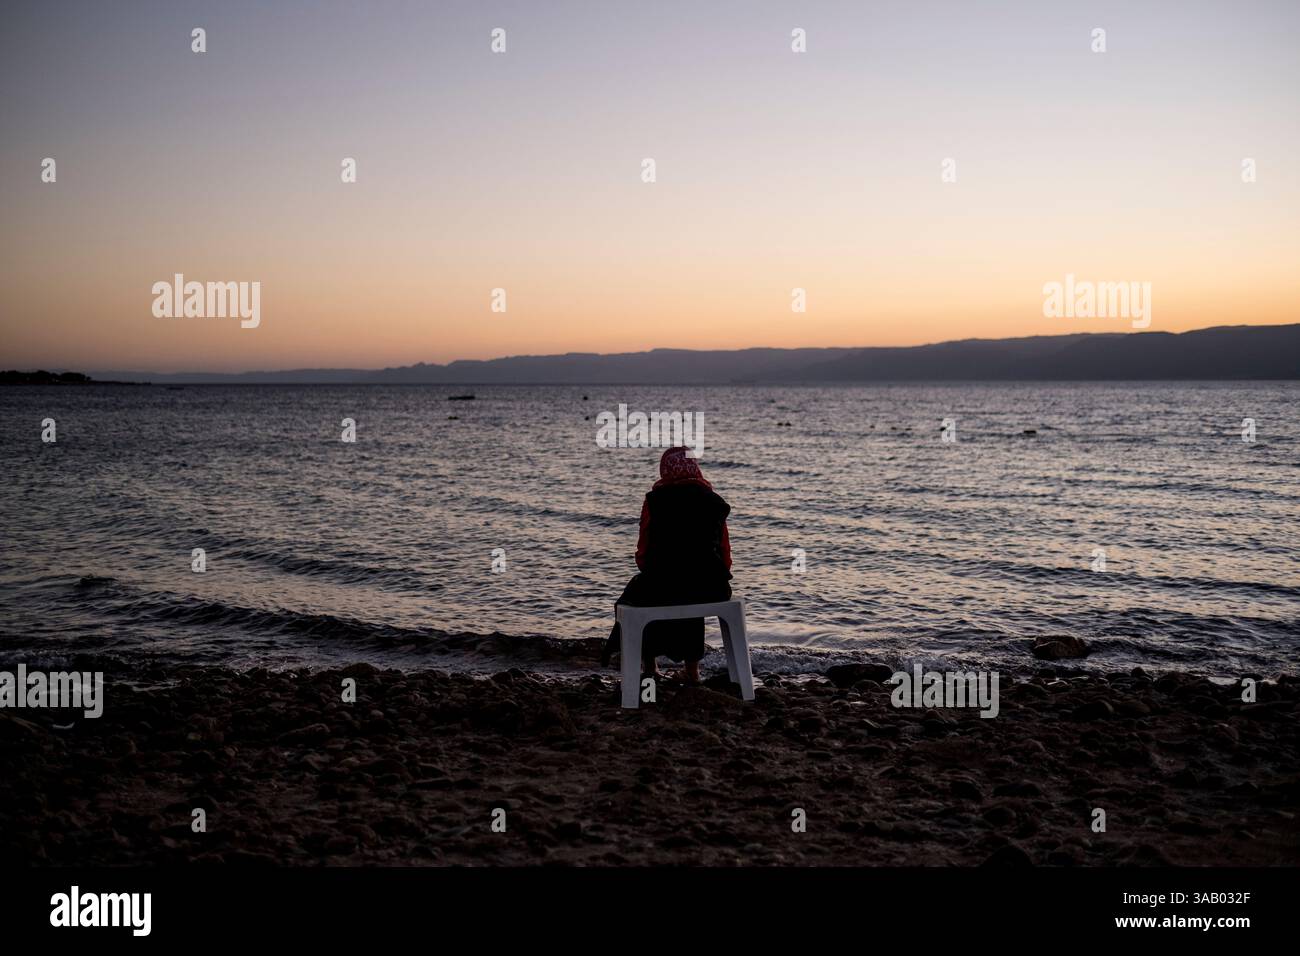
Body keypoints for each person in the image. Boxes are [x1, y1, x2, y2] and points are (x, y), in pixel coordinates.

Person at [601, 446, 733, 683]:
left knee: (641, 594)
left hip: (662, 585)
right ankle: (692, 671)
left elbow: (642, 555)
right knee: (692, 591)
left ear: (665, 470)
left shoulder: (654, 501)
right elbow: (725, 554)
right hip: (710, 586)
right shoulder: (714, 502)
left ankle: (650, 667)